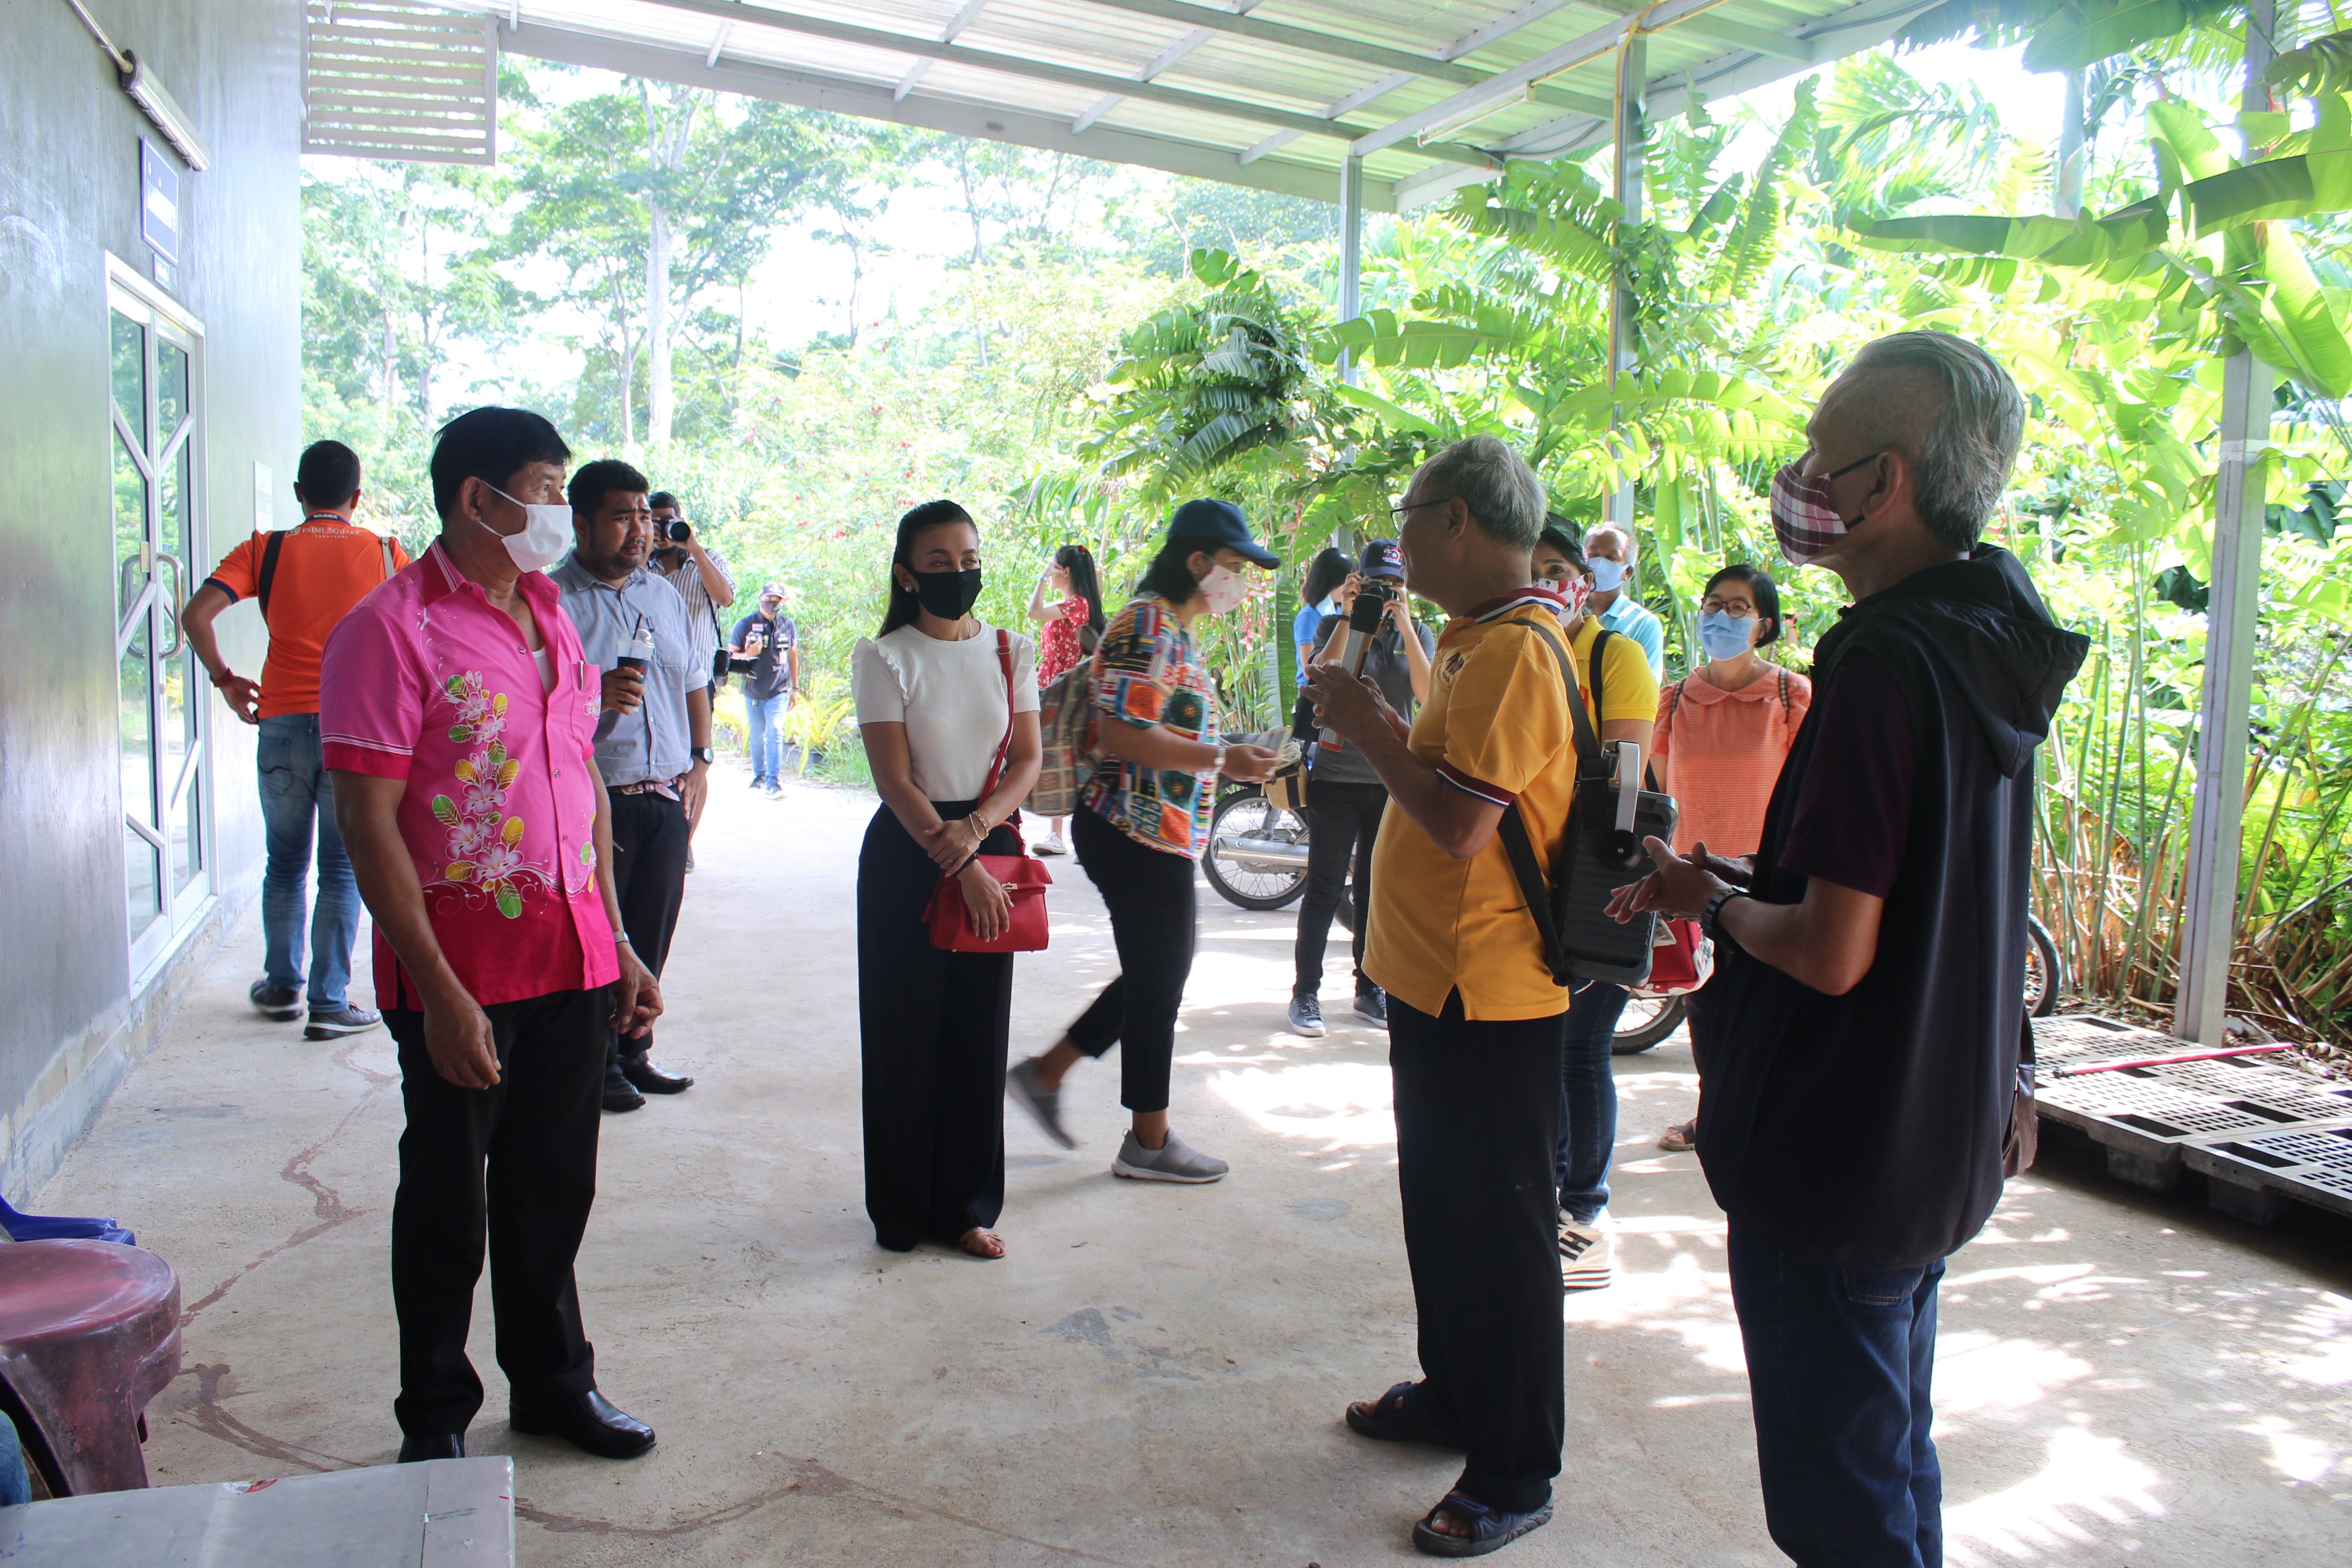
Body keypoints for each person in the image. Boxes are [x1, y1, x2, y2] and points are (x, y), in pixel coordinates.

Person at [1607, 332, 2088, 1567]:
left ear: (1889, 482)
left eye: (1825, 455)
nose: (1801, 477)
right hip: (1934, 1138)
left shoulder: (1879, 663)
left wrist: (1710, 905)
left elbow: (1829, 952)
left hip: (1837, 1156)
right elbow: (1938, 895)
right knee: (1892, 1457)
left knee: (1841, 1510)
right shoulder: (1987, 640)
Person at [320, 406, 666, 1465]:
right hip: (460, 975)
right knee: (445, 1202)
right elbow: (367, 821)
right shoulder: (390, 629)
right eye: (549, 489)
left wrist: (618, 938)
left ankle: (555, 1383)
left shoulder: (549, 612)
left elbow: (579, 782)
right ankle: (434, 1413)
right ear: (479, 498)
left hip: (572, 954)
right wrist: (437, 990)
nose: (561, 510)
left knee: (552, 1187)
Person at [1309, 435, 1580, 1557]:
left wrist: (1366, 722)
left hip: (1493, 991)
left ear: (1457, 520)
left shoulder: (1517, 649)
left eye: (1410, 518)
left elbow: (1464, 824)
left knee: (1501, 1231)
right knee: (1444, 1208)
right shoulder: (1474, 640)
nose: (1400, 542)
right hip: (1437, 983)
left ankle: (1515, 1465)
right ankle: (1457, 1393)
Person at [1004, 500, 1281, 1182]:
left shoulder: (1175, 629)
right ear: (1198, 561)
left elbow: (1169, 728)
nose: (1241, 581)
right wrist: (1224, 759)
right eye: (1235, 566)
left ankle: (1050, 1075)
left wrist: (1231, 751)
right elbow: (1124, 733)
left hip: (1158, 831)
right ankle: (1146, 1141)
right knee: (1161, 977)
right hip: (1130, 827)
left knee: (1159, 973)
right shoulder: (1147, 622)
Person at [853, 501, 1042, 1259]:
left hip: (986, 842)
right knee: (903, 1035)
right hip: (911, 851)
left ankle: (964, 1206)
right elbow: (894, 781)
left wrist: (979, 832)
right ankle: (901, 1210)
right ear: (907, 575)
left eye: (968, 560)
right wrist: (958, 859)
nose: (958, 574)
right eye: (938, 563)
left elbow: (1028, 759)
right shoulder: (884, 655)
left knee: (976, 1031)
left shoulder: (1011, 649)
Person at [181, 439, 410, 1040]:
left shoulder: (266, 549)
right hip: (351, 729)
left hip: (281, 722)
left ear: (299, 493)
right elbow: (425, 632)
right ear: (356, 496)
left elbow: (195, 615)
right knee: (341, 866)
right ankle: (329, 1002)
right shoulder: (387, 555)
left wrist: (226, 680)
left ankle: (282, 986)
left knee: (284, 861)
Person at [553, 460, 708, 1115]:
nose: (639, 530)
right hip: (597, 797)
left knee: (652, 928)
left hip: (666, 794)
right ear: (581, 524)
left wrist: (701, 761)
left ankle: (634, 1052)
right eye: (622, 517)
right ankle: (595, 1065)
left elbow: (693, 679)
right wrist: (594, 693)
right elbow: (538, 704)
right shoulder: (551, 602)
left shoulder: (663, 595)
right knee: (599, 938)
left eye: (644, 516)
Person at [1529, 522, 1658, 1290]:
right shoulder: (1513, 647)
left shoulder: (1614, 656)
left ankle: (1585, 1213)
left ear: (1584, 580)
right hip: (1529, 885)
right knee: (1547, 1051)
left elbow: (1625, 785)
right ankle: (1548, 1200)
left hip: (1593, 882)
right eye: (1531, 569)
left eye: (1558, 569)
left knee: (1580, 1051)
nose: (1546, 583)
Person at [1649, 564, 1812, 1155]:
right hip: (1696, 879)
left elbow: (1810, 788)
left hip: (1767, 878)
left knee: (1771, 1002)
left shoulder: (1792, 696)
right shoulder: (1674, 699)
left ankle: (1773, 1113)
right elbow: (1660, 787)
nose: (1722, 616)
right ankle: (1714, 1110)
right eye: (1714, 604)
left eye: (1739, 607)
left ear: (1764, 623)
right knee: (1707, 1003)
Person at [1288, 538, 1432, 1038]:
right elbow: (1318, 676)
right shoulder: (1337, 625)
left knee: (1374, 892)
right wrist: (1352, 618)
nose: (1386, 592)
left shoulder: (1419, 633)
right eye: (1377, 583)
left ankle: (1369, 989)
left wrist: (1406, 624)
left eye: (1394, 584)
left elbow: (1427, 695)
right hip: (1336, 778)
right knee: (1324, 889)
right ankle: (1305, 993)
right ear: (1358, 582)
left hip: (1392, 780)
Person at [646, 490, 735, 852]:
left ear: (681, 519)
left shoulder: (707, 559)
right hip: (650, 680)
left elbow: (725, 598)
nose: (661, 529)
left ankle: (684, 843)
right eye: (653, 522)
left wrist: (693, 548)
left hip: (695, 683)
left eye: (668, 521)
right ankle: (665, 834)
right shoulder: (641, 564)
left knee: (697, 760)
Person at [1026, 543, 1105, 857]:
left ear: (1066, 571)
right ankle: (1063, 835)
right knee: (1057, 754)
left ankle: (1060, 836)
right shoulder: (1071, 604)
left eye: (1053, 567)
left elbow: (1033, 612)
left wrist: (1041, 579)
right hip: (1053, 684)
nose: (1048, 573)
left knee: (1059, 754)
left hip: (1064, 687)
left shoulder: (1077, 604)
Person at [729, 583, 798, 796]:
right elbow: (730, 657)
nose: (772, 604)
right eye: (768, 600)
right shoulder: (745, 625)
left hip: (779, 690)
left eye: (777, 600)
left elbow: (793, 656)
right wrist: (749, 654)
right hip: (753, 690)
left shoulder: (788, 625)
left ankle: (773, 782)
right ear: (760, 598)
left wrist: (795, 687)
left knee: (775, 731)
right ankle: (759, 775)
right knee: (757, 736)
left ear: (783, 602)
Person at [1582, 523, 1666, 678]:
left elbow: (1646, 685)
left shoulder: (1644, 625)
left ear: (1628, 572)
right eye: (1593, 555)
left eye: (1611, 557)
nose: (1599, 563)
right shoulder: (1565, 611)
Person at [1293, 546, 1352, 683]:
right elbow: (1310, 672)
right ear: (1329, 582)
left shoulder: (1340, 613)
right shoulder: (1309, 617)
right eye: (1344, 583)